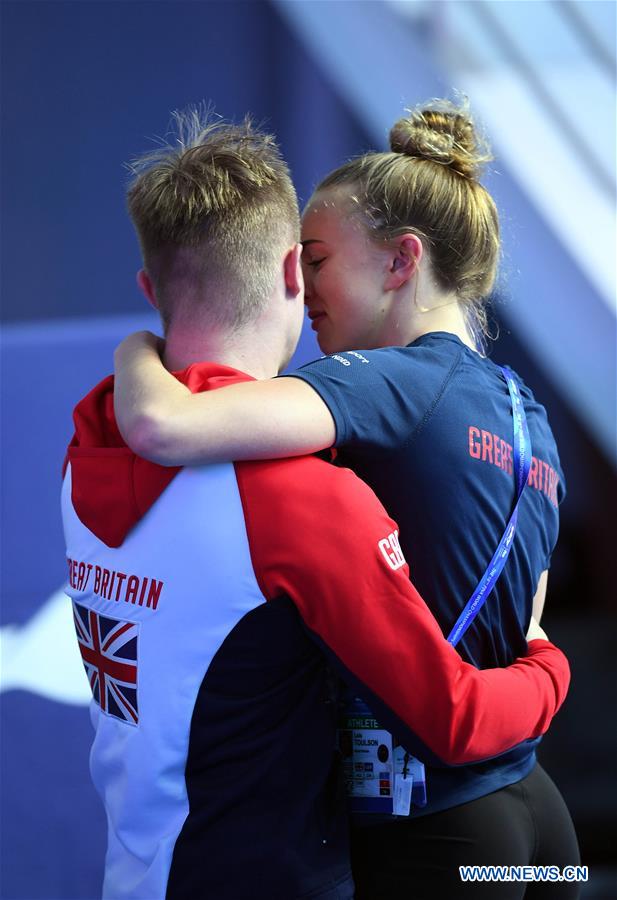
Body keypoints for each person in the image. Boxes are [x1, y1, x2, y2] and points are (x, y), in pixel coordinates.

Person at [113, 100, 581, 898]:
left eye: (316, 259)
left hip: (435, 834)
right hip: (538, 821)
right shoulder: (525, 413)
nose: (301, 284)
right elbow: (528, 612)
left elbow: (164, 423)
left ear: (401, 262)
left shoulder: (381, 385)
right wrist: (544, 674)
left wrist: (139, 341)